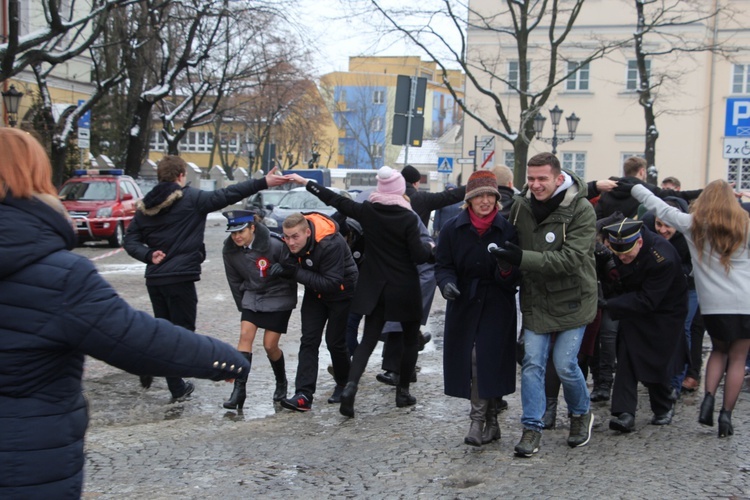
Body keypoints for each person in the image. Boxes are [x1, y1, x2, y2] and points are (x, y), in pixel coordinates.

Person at [0, 128, 250, 498]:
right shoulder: (61, 275)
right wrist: (228, 360)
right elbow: (139, 340)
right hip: (25, 465)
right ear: (36, 178)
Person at [124, 155, 288, 402]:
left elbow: (129, 240)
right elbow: (228, 194)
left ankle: (176, 387)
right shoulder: (191, 199)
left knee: (166, 330)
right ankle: (154, 365)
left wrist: (148, 254)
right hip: (180, 279)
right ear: (181, 176)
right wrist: (263, 181)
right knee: (183, 335)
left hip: (156, 279)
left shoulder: (146, 206)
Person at [288, 167, 433, 417]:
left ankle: (350, 388)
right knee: (410, 340)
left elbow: (335, 200)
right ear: (400, 190)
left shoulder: (368, 211)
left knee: (367, 341)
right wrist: (431, 248)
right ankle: (403, 392)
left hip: (375, 287)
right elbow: (420, 256)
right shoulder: (408, 218)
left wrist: (308, 183)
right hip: (404, 288)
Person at [492, 152, 597, 457]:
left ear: (558, 177)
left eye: (542, 179)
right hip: (537, 297)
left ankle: (581, 414)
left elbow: (571, 260)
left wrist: (521, 258)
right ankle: (531, 428)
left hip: (574, 297)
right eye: (531, 178)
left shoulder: (581, 208)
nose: (535, 185)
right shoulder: (521, 205)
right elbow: (503, 233)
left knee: (565, 364)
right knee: (532, 364)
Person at [628, 179, 750, 438]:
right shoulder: (746, 225)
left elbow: (659, 207)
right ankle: (726, 414)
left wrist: (634, 187)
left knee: (718, 351)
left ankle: (708, 398)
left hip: (715, 306)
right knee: (738, 359)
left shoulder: (694, 225)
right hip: (746, 303)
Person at [435, 170, 520, 446]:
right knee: (474, 359)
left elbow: (516, 272)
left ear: (497, 199)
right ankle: (490, 421)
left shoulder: (507, 229)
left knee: (485, 359)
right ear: (468, 200)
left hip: (497, 302)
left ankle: (478, 423)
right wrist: (446, 283)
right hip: (465, 302)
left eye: (490, 196)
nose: (485, 201)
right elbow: (443, 265)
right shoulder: (452, 228)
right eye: (479, 196)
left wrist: (506, 270)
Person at [598, 219, 688, 432]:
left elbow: (648, 300)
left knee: (653, 359)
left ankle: (664, 403)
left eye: (626, 254)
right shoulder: (624, 250)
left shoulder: (662, 257)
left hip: (664, 311)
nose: (622, 258)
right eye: (618, 254)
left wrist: (609, 304)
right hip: (633, 305)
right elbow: (621, 276)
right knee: (628, 353)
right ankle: (624, 413)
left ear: (639, 242)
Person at [271, 212, 357, 412]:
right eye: (286, 237)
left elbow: (331, 282)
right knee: (309, 340)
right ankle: (303, 394)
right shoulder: (290, 243)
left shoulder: (330, 244)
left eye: (295, 237)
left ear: (307, 232)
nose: (290, 242)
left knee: (335, 342)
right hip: (315, 292)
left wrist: (294, 272)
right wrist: (283, 269)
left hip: (342, 291)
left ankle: (344, 383)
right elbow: (291, 265)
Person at [221, 209, 297, 411]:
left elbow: (292, 269)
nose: (237, 237)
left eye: (241, 232)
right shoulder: (229, 251)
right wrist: (243, 307)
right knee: (245, 335)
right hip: (252, 296)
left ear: (252, 228)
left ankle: (281, 382)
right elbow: (234, 281)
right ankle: (239, 391)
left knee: (269, 345)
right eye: (233, 233)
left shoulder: (274, 244)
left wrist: (285, 272)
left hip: (279, 295)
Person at [642, 197, 699, 400]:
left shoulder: (690, 233)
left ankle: (675, 383)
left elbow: (694, 267)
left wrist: (670, 271)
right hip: (657, 286)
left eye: (668, 226)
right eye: (659, 224)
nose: (663, 230)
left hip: (687, 287)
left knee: (682, 329)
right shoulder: (647, 225)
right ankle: (655, 375)